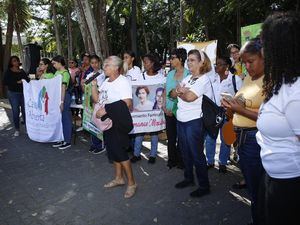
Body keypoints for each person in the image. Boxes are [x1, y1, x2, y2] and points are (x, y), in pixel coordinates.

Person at [256, 11, 300, 225]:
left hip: (290, 185)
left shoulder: (295, 93)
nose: (262, 51)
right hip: (274, 177)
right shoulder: (280, 82)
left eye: (264, 44)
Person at [221, 39, 265, 225]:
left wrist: (240, 110)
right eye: (244, 62)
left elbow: (270, 117)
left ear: (264, 58)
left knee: (259, 189)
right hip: (242, 139)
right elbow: (240, 98)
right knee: (253, 187)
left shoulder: (271, 80)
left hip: (255, 139)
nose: (246, 66)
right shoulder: (248, 77)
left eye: (251, 61)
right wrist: (230, 106)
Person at [93, 56, 137, 198]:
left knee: (121, 154)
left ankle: (132, 183)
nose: (104, 67)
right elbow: (98, 99)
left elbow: (127, 103)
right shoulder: (106, 81)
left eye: (107, 65)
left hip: (118, 122)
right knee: (113, 152)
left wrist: (106, 110)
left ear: (116, 68)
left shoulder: (122, 81)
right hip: (108, 123)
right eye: (104, 65)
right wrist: (93, 86)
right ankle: (119, 178)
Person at [174, 49, 212, 198]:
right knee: (185, 152)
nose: (188, 62)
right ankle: (188, 178)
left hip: (194, 122)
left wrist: (180, 91)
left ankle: (204, 186)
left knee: (196, 154)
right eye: (188, 60)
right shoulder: (188, 78)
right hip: (181, 120)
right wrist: (181, 91)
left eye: (192, 60)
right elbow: (173, 92)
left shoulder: (204, 79)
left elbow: (189, 97)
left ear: (201, 62)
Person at [205, 56, 243, 173]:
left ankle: (222, 162)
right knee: (210, 137)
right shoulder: (213, 78)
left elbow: (241, 97)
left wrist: (232, 106)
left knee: (226, 138)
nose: (217, 66)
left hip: (229, 112)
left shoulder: (235, 79)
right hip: (214, 112)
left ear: (227, 66)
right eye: (216, 64)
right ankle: (210, 161)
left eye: (220, 64)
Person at [130, 53, 164, 164]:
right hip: (141, 112)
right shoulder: (141, 76)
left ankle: (153, 155)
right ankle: (136, 154)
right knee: (139, 131)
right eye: (143, 62)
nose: (144, 64)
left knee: (154, 132)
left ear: (152, 63)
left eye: (146, 62)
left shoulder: (160, 77)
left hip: (154, 111)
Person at [164, 48, 189, 169]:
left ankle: (182, 160)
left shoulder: (188, 74)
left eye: (173, 58)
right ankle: (171, 160)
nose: (170, 60)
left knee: (182, 137)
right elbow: (165, 90)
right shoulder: (169, 74)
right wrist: (164, 107)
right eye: (170, 57)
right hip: (168, 111)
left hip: (182, 111)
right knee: (171, 136)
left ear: (181, 59)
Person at [3, 56, 30, 136]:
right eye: (14, 61)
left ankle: (27, 128)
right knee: (16, 111)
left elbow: (27, 80)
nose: (16, 62)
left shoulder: (22, 71)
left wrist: (28, 80)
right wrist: (16, 82)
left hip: (23, 93)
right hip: (13, 94)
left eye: (17, 60)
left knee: (25, 111)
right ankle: (17, 129)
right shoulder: (8, 71)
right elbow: (5, 82)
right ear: (11, 63)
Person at [51, 55, 73, 150]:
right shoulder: (57, 72)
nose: (53, 65)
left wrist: (62, 102)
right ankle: (61, 138)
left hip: (64, 97)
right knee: (59, 119)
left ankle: (67, 141)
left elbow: (63, 88)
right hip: (58, 97)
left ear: (60, 62)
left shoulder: (65, 73)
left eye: (54, 63)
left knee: (65, 119)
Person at [87, 55, 106, 154]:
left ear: (99, 62)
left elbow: (102, 89)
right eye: (92, 63)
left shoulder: (103, 74)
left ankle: (101, 145)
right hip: (90, 103)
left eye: (96, 62)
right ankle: (94, 144)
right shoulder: (89, 75)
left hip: (99, 103)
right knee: (92, 123)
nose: (94, 65)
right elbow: (85, 88)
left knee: (99, 123)